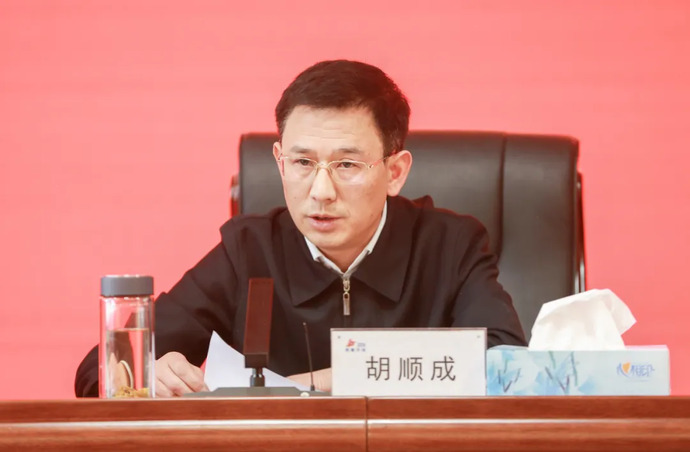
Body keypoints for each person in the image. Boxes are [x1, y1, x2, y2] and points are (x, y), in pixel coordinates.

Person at [75, 60, 526, 397]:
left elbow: (506, 367)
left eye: (347, 165)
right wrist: (147, 374)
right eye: (303, 163)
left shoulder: (450, 245)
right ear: (280, 162)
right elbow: (98, 371)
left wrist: (322, 382)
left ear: (395, 172)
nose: (321, 192)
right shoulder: (248, 251)